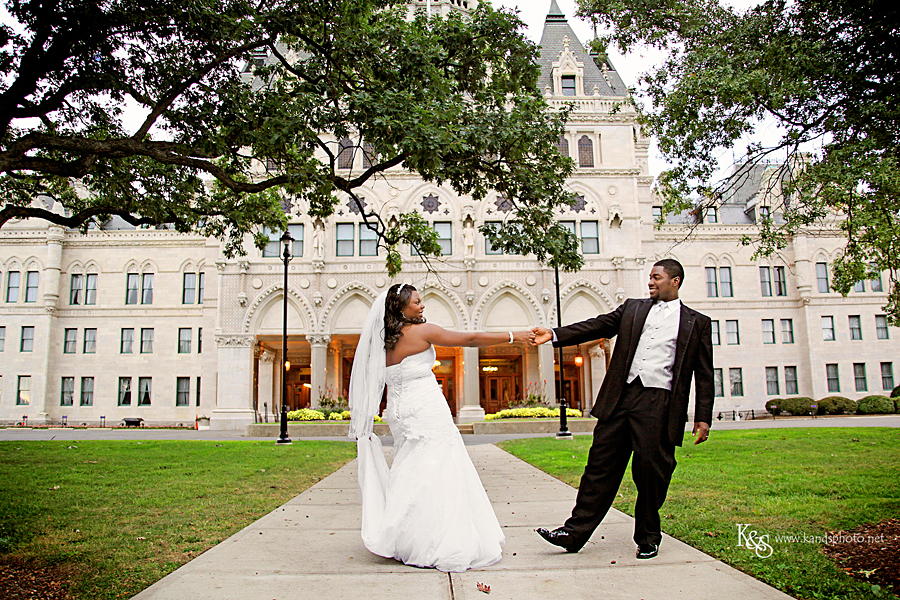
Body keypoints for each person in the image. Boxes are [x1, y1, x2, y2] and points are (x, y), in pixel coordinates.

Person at [531, 259, 714, 559]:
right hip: (620, 398)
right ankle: (573, 534)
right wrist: (555, 333)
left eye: (657, 277)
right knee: (599, 468)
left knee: (651, 474)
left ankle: (648, 537)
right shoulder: (632, 308)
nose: (650, 282)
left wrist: (703, 417)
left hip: (659, 403)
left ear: (675, 281)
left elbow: (704, 373)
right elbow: (597, 325)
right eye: (650, 277)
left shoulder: (697, 322)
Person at [349, 283, 535, 572]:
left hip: (398, 412)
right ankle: (440, 539)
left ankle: (406, 534)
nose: (422, 305)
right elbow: (470, 338)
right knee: (441, 466)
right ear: (401, 307)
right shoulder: (423, 331)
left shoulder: (381, 341)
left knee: (410, 467)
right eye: (416, 302)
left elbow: (369, 380)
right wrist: (514, 336)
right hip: (426, 408)